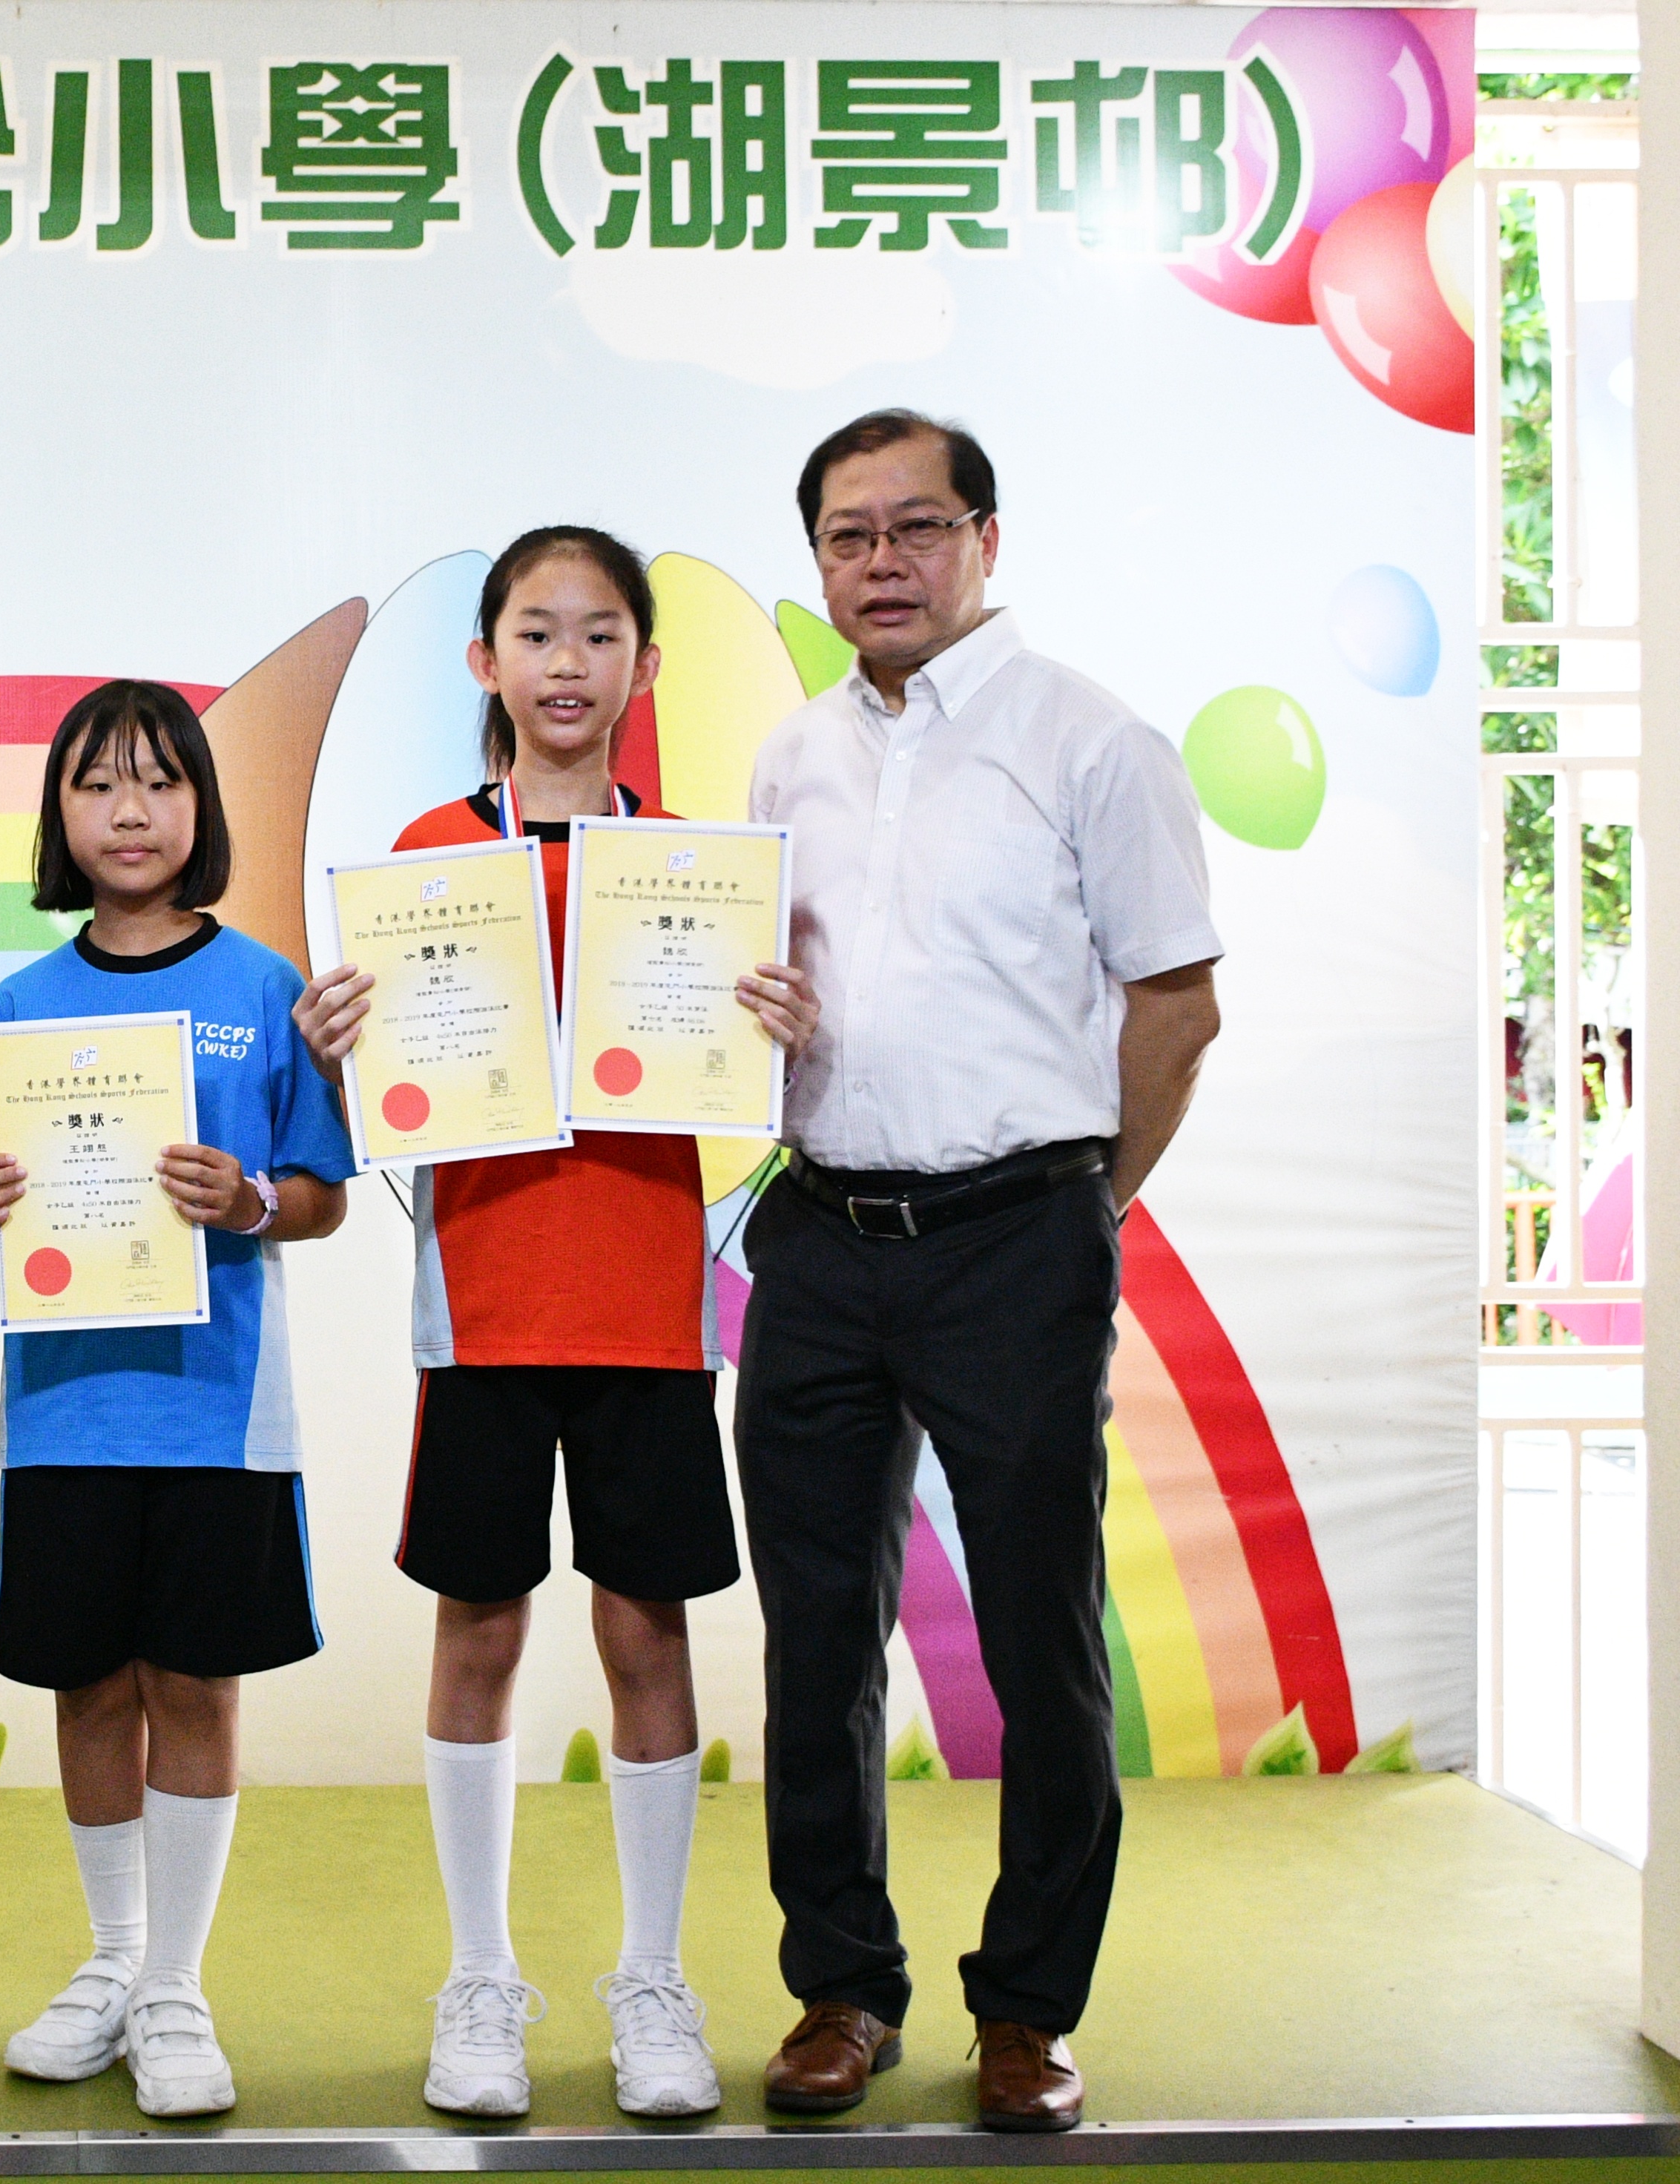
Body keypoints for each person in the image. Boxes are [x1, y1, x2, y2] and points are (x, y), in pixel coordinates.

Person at [294, 527, 817, 2121]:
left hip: (649, 1306)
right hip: (485, 1306)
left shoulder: (697, 872)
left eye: (599, 635)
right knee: (482, 1631)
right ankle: (480, 1976)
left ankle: (654, 1977)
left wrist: (781, 1027)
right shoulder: (425, 858)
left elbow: (747, 1083)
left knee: (648, 1634)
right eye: (537, 632)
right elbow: (385, 1087)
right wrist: (335, 1037)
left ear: (644, 667)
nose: (568, 663)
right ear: (487, 662)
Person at [739, 410, 1221, 2134]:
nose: (884, 561)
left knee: (1040, 1633)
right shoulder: (787, 759)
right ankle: (840, 1985)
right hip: (817, 1234)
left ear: (987, 540)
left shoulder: (1093, 739)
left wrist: (1087, 1208)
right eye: (848, 535)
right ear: (819, 560)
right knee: (816, 1635)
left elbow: (1177, 1004)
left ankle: (1027, 2006)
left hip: (1019, 1236)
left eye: (917, 526)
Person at [0, 681, 355, 2119]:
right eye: (99, 783)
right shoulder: (19, 1006)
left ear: (202, 806)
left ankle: (177, 1981)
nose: (131, 811)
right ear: (59, 814)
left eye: (161, 781)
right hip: (64, 1412)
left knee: (192, 1681)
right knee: (89, 1681)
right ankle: (115, 1958)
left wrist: (250, 1199)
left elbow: (319, 1194)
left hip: (218, 1413)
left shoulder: (261, 987)